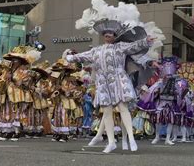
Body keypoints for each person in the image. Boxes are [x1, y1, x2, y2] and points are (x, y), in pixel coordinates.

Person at [66, 19, 154, 153]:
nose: (108, 35)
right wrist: (70, 58)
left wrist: (145, 41)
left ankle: (131, 138)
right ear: (103, 35)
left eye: (111, 33)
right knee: (106, 111)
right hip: (103, 82)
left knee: (123, 107)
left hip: (118, 80)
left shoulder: (120, 46)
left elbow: (134, 46)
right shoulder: (96, 50)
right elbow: (82, 56)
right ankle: (111, 142)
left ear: (115, 35)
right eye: (106, 33)